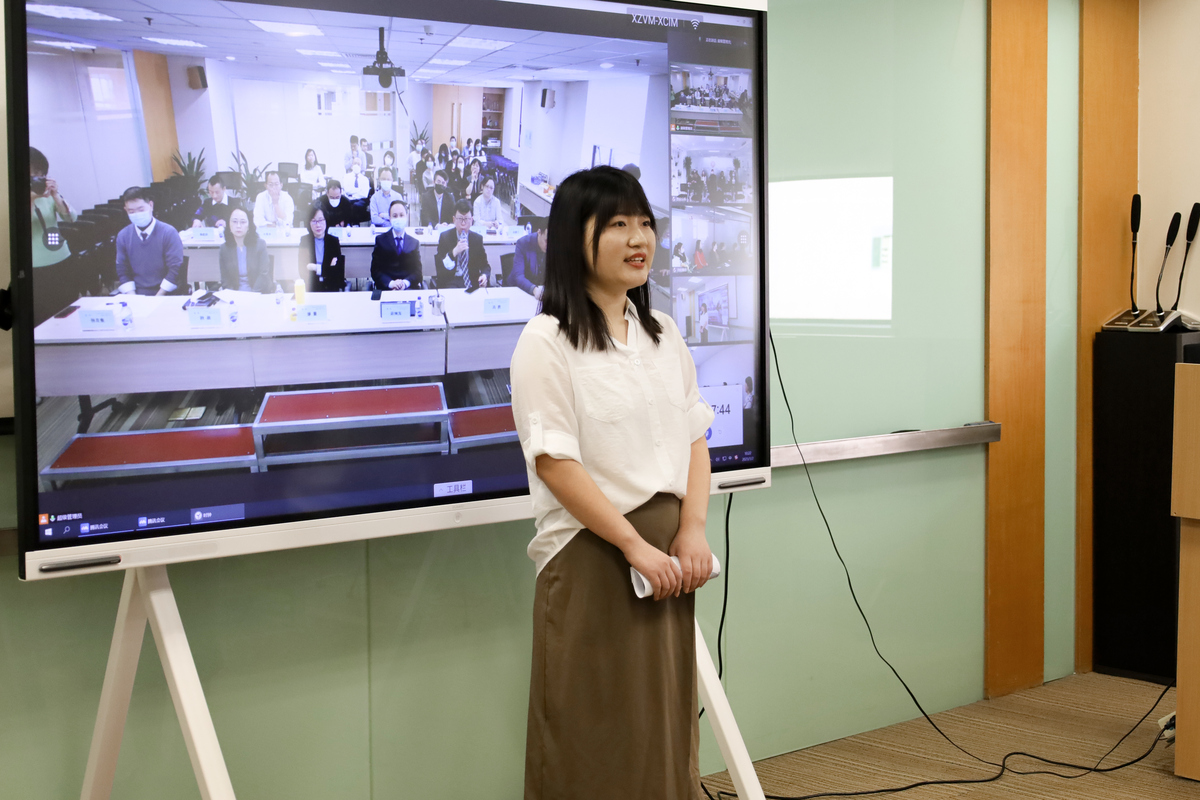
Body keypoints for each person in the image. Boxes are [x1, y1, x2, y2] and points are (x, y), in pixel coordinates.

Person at [509, 165, 714, 800]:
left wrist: (693, 529)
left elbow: (694, 438)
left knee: (663, 727)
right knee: (592, 730)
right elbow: (555, 463)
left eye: (645, 222)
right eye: (618, 224)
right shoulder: (546, 340)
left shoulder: (663, 333)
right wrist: (632, 545)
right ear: (576, 237)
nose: (639, 238)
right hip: (594, 554)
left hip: (668, 557)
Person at [30, 146, 78, 324]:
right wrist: (31, 198)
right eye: (31, 173)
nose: (36, 177)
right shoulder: (12, 197)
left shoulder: (48, 195)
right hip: (36, 267)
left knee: (69, 307)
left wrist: (55, 195)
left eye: (39, 172)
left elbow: (71, 218)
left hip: (62, 258)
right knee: (44, 315)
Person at [115, 186, 184, 296]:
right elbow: (122, 270)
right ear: (126, 210)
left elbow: (175, 269)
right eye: (131, 211)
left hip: (165, 293)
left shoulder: (168, 232)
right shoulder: (123, 236)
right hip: (136, 293)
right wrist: (133, 297)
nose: (136, 214)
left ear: (151, 205)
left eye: (141, 210)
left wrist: (157, 298)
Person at [435, 200, 490, 289]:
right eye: (460, 219)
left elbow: (485, 266)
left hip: (472, 281)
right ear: (454, 220)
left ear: (471, 220)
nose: (463, 223)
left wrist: (484, 275)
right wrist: (453, 252)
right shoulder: (445, 237)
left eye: (466, 219)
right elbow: (440, 268)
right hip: (451, 280)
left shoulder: (477, 239)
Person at [370, 200, 422, 290]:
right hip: (386, 288)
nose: (398, 218)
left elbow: (418, 272)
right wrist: (391, 283)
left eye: (401, 215)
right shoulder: (381, 240)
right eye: (394, 216)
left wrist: (405, 283)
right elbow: (375, 271)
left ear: (406, 216)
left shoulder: (414, 243)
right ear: (389, 218)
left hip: (408, 289)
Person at [218, 207, 273, 293]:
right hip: (235, 295)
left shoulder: (260, 245)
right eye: (234, 222)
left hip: (258, 293)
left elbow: (263, 274)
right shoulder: (224, 249)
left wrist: (252, 295)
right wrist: (233, 295)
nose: (238, 226)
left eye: (243, 222)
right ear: (229, 225)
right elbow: (225, 280)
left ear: (249, 226)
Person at [300, 206, 344, 292]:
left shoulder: (333, 241)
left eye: (320, 220)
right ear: (309, 223)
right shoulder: (305, 241)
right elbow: (302, 270)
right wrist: (327, 269)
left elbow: (337, 273)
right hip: (311, 287)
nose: (318, 225)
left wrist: (316, 268)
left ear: (326, 221)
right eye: (314, 221)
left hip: (330, 287)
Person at [511, 217, 548, 299]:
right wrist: (534, 290)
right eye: (546, 241)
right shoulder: (523, 243)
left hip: (543, 293)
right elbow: (519, 276)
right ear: (539, 232)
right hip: (521, 291)